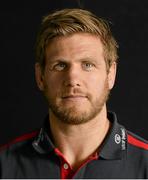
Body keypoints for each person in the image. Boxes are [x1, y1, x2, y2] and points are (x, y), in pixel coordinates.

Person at [0, 8, 148, 179]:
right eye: (60, 65)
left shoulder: (144, 164)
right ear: (40, 77)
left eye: (87, 65)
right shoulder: (5, 165)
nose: (72, 79)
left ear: (111, 74)